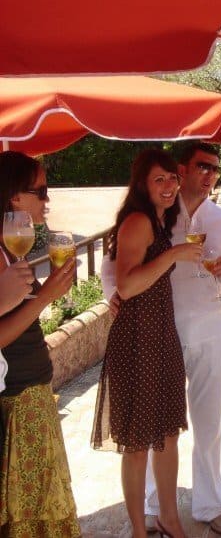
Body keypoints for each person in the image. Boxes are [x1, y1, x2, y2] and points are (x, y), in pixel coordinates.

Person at [102, 142, 221, 534]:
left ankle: (210, 504)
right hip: (158, 332)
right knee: (154, 430)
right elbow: (113, 267)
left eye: (215, 168)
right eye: (203, 166)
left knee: (205, 424)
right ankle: (152, 508)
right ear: (184, 169)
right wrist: (112, 296)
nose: (210, 174)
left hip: (209, 327)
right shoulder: (160, 213)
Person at [91, 148, 202, 538]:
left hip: (160, 337)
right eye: (160, 179)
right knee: (138, 444)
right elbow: (126, 285)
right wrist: (175, 254)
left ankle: (169, 519)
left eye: (172, 178)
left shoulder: (159, 220)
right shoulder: (138, 221)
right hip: (137, 342)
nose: (169, 185)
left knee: (167, 435)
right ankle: (139, 529)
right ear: (142, 184)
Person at [0, 150, 81, 537]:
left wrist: (48, 290)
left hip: (31, 391)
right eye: (41, 191)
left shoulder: (8, 250)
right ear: (15, 197)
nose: (48, 200)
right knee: (34, 509)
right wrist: (47, 295)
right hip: (20, 399)